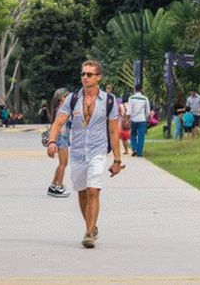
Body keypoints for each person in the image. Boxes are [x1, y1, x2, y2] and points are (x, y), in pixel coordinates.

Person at [46, 60, 123, 248]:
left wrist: (117, 160)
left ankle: (89, 233)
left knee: (93, 190)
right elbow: (58, 122)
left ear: (98, 77)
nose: (85, 78)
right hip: (78, 153)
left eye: (89, 74)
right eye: (83, 74)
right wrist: (52, 141)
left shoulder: (109, 101)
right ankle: (91, 224)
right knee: (81, 192)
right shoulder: (73, 99)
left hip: (97, 151)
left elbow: (114, 132)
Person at [48, 88, 71, 198]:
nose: (68, 98)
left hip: (62, 137)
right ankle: (59, 186)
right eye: (66, 96)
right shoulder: (62, 108)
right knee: (63, 163)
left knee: (62, 163)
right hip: (62, 137)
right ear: (61, 98)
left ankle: (53, 184)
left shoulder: (59, 108)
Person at [128, 84, 150, 157]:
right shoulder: (145, 98)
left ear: (135, 89)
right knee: (141, 136)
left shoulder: (131, 98)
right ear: (141, 89)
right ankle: (139, 153)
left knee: (133, 135)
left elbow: (129, 111)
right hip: (142, 120)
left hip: (133, 119)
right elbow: (148, 111)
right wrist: (146, 118)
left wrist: (128, 119)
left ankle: (134, 149)